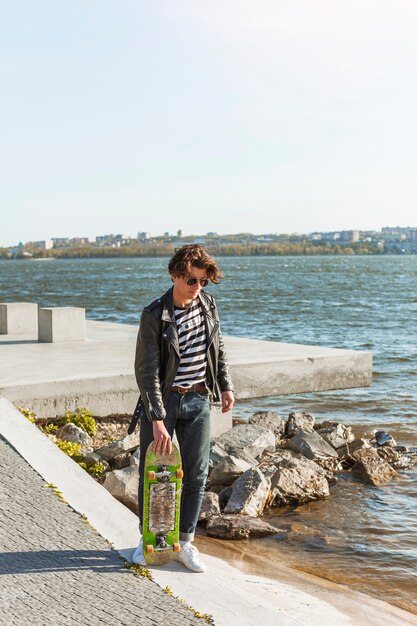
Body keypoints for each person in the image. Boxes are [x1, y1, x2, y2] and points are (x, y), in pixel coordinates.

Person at [131, 244, 234, 572]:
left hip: (200, 399)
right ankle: (146, 541)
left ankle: (185, 543)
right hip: (165, 401)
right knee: (154, 473)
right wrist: (157, 417)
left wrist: (226, 384)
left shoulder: (207, 304)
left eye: (203, 281)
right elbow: (146, 373)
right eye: (192, 281)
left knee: (197, 474)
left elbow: (217, 348)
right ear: (174, 275)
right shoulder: (154, 315)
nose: (197, 288)